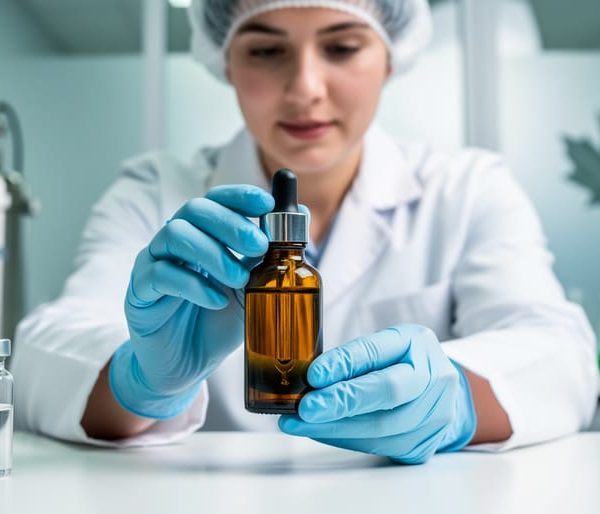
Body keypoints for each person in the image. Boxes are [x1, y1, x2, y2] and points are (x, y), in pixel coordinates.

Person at [11, 0, 598, 462]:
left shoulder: (467, 188)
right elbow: (42, 353)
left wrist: (457, 398)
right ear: (225, 61)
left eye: (342, 47)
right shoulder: (154, 192)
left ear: (390, 56)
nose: (306, 88)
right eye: (266, 51)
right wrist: (138, 380)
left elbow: (558, 351)